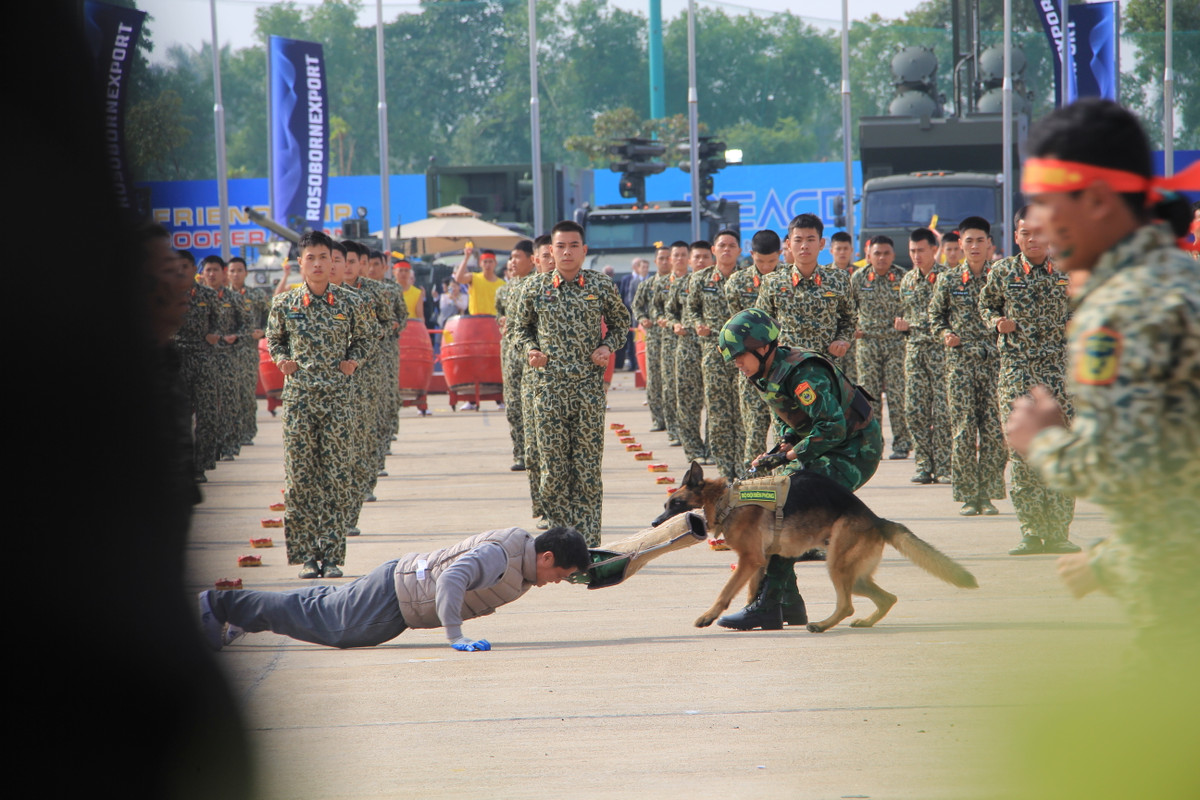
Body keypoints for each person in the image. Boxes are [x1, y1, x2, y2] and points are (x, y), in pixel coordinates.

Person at [1004, 98, 1199, 646]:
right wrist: (1114, 559)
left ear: (1094, 200)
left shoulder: (1124, 309)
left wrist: (1042, 442)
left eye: (1044, 203)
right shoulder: (1177, 282)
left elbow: (1121, 469)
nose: (1035, 224)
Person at [714, 308, 883, 630]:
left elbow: (832, 427)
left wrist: (790, 454)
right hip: (825, 445)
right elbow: (791, 421)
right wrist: (777, 451)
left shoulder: (805, 373)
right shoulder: (765, 373)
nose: (736, 363)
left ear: (762, 348)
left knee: (786, 509)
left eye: (739, 356)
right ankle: (789, 605)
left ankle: (770, 605)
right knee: (771, 499)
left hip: (854, 450)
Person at [199, 527, 590, 652]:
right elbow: (453, 578)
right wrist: (455, 635)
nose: (557, 581)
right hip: (393, 599)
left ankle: (243, 613)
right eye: (561, 574)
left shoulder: (520, 560)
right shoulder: (500, 557)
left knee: (318, 607)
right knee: (330, 627)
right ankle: (220, 605)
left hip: (394, 591)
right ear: (547, 557)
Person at [510, 220, 631, 546]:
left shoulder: (601, 285)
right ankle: (561, 544)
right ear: (550, 250)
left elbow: (622, 324)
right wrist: (530, 349)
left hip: (587, 391)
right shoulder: (533, 289)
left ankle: (588, 544)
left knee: (588, 470)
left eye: (573, 246)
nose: (566, 252)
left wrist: (607, 346)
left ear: (584, 250)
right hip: (547, 390)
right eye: (560, 246)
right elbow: (518, 330)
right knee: (553, 470)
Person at [267, 230, 373, 579]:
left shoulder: (349, 303)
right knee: (300, 479)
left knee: (336, 477)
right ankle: (307, 555)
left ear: (332, 263)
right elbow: (274, 339)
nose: (316, 263)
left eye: (322, 258)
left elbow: (365, 338)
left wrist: (353, 360)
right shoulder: (285, 303)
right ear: (300, 263)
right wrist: (282, 359)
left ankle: (331, 556)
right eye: (309, 258)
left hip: (338, 403)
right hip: (299, 402)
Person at [980, 206, 1079, 556]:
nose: (1033, 239)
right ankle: (1031, 530)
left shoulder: (1067, 272)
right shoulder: (1003, 272)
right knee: (1022, 453)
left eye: (1039, 232)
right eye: (1026, 233)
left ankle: (1058, 531)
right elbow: (986, 305)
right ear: (1016, 235)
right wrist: (996, 321)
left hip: (1057, 372)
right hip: (1017, 372)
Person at [928, 216, 1007, 516]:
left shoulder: (999, 277)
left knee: (992, 431)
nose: (974, 246)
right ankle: (967, 494)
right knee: (963, 430)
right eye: (969, 241)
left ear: (989, 245)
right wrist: (945, 334)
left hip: (994, 363)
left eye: (980, 241)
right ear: (959, 244)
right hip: (960, 363)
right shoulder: (948, 280)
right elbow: (936, 317)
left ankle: (987, 494)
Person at [685, 229, 745, 479]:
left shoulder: (746, 279)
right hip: (713, 351)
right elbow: (692, 309)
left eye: (732, 246)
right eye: (722, 245)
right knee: (718, 412)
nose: (727, 250)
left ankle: (742, 467)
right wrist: (697, 323)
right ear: (714, 250)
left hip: (744, 353)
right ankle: (724, 468)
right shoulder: (701, 279)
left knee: (742, 411)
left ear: (739, 251)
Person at [725, 229, 785, 475]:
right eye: (760, 262)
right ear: (751, 255)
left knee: (785, 429)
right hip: (753, 368)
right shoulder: (736, 284)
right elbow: (737, 328)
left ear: (780, 255)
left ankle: (787, 479)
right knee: (754, 428)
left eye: (772, 261)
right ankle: (755, 481)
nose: (766, 267)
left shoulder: (786, 280)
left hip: (783, 366)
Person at [898, 228, 951, 484]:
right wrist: (903, 325)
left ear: (933, 250)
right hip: (915, 351)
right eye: (912, 251)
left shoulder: (948, 278)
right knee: (915, 409)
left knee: (942, 410)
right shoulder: (907, 280)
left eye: (921, 250)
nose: (916, 256)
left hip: (941, 352)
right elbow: (906, 312)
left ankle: (943, 466)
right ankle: (923, 465)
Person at [850, 235, 911, 460]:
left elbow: (912, 307)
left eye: (886, 253)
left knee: (897, 394)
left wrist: (907, 323)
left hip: (896, 343)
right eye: (877, 253)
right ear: (869, 255)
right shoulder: (858, 278)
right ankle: (873, 445)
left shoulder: (903, 278)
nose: (882, 257)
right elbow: (848, 309)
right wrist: (852, 328)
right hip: (867, 344)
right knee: (868, 396)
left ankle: (902, 443)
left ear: (893, 255)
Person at [495, 240, 535, 471]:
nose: (512, 262)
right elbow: (498, 314)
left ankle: (533, 452)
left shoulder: (536, 285)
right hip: (509, 355)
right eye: (511, 257)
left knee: (531, 406)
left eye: (517, 257)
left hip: (528, 354)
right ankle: (519, 453)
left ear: (532, 260)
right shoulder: (503, 290)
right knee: (512, 405)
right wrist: (500, 321)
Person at [667, 241, 708, 463]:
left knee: (716, 404)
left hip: (713, 349)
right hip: (687, 350)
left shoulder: (719, 282)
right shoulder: (681, 284)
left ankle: (714, 449)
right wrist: (674, 324)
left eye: (705, 257)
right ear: (690, 261)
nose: (701, 261)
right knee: (687, 402)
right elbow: (670, 311)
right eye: (697, 257)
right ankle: (693, 449)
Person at [227, 256, 269, 449]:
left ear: (246, 273)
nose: (236, 274)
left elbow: (272, 317)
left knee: (246, 393)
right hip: (224, 353)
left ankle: (247, 432)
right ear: (227, 273)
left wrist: (264, 331)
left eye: (239, 270)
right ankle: (230, 433)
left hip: (248, 351)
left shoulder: (256, 296)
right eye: (232, 271)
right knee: (228, 395)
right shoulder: (220, 297)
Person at [632, 245, 672, 432]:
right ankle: (658, 419)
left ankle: (674, 421)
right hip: (654, 339)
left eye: (668, 258)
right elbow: (637, 306)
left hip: (675, 339)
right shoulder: (646, 285)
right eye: (661, 258)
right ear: (656, 261)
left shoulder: (678, 283)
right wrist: (642, 319)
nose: (665, 261)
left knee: (672, 382)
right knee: (654, 380)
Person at [828, 230, 859, 382]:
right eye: (838, 249)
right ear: (831, 250)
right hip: (830, 337)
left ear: (851, 250)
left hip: (854, 337)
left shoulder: (859, 275)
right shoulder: (824, 275)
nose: (842, 252)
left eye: (845, 249)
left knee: (853, 380)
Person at [453, 246, 505, 316]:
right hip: (476, 320)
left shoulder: (502, 284)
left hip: (494, 321)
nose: (488, 265)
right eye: (485, 262)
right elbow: (458, 278)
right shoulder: (474, 277)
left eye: (490, 261)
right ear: (480, 263)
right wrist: (466, 258)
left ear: (495, 263)